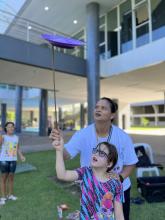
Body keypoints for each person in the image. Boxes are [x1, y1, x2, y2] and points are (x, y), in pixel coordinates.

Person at [50, 97, 138, 220]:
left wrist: (121, 177)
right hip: (91, 189)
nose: (98, 110)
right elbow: (66, 155)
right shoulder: (82, 134)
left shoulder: (123, 137)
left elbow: (131, 163)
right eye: (96, 107)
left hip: (118, 189)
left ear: (112, 115)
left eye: (103, 108)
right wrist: (59, 147)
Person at [53, 131, 124, 220]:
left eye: (102, 153)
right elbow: (62, 175)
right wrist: (59, 151)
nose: (96, 154)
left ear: (109, 163)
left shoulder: (116, 183)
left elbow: (119, 214)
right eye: (96, 150)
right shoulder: (84, 172)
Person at [0, 122, 25, 205]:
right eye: (9, 127)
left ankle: (10, 195)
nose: (11, 128)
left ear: (14, 128)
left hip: (13, 160)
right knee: (4, 178)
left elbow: (18, 148)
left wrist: (21, 156)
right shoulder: (3, 137)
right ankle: (3, 197)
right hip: (4, 160)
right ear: (6, 128)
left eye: (12, 127)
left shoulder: (16, 137)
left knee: (11, 178)